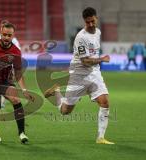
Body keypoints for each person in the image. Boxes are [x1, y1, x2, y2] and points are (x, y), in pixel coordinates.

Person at [44, 7, 114, 144]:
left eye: (93, 21)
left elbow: (92, 57)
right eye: (88, 22)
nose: (91, 24)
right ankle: (57, 92)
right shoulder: (81, 38)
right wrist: (102, 59)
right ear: (84, 21)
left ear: (96, 18)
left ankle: (100, 137)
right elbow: (85, 61)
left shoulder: (98, 32)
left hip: (94, 73)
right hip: (79, 75)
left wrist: (98, 66)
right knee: (65, 111)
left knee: (105, 102)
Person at [0, 19, 21, 108]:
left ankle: (2, 102)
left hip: (8, 68)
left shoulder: (14, 40)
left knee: (7, 86)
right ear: (1, 28)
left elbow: (17, 53)